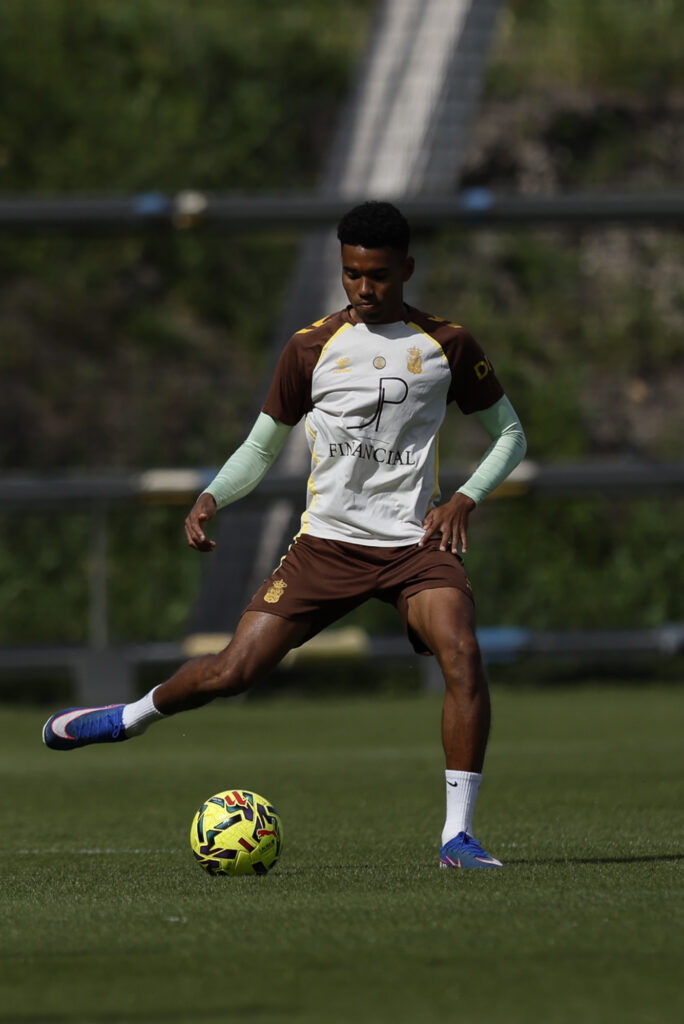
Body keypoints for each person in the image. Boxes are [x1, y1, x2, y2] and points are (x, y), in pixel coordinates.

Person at [43, 201, 527, 869]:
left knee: (464, 656)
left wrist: (467, 499)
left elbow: (511, 433)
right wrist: (214, 494)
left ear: (408, 269)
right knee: (231, 673)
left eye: (379, 275)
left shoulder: (448, 344)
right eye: (352, 273)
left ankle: (457, 838)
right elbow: (260, 447)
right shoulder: (310, 347)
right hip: (325, 547)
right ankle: (128, 718)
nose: (364, 288)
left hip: (415, 549)